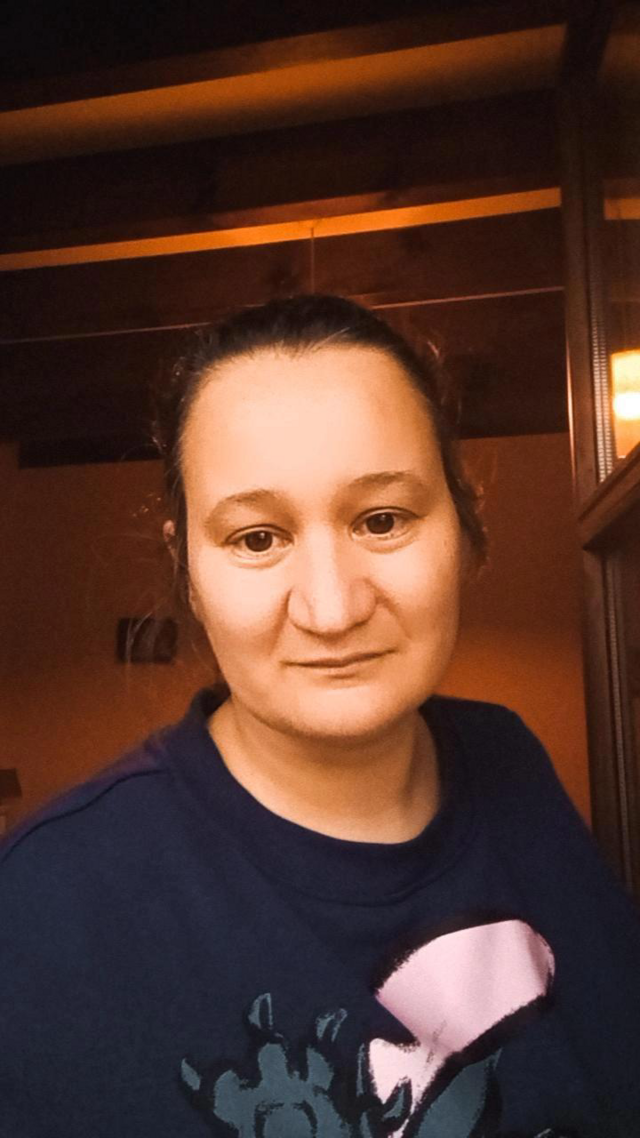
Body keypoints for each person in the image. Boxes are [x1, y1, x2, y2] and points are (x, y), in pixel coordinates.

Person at [1, 295, 639, 1138]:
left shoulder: (507, 756)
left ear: (463, 524)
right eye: (257, 539)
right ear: (186, 567)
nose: (332, 609)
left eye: (382, 520)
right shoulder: (44, 905)